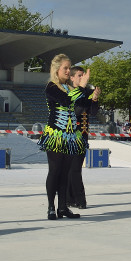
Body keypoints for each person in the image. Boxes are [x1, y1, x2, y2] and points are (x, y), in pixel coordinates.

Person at [37, 54, 98, 220]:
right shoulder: (51, 87)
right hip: (56, 135)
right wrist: (82, 86)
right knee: (55, 171)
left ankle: (63, 207)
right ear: (57, 69)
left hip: (71, 137)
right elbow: (65, 101)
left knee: (65, 173)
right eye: (65, 68)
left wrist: (93, 97)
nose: (68, 71)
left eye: (69, 68)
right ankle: (51, 207)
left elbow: (84, 106)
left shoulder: (71, 88)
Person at [67, 65, 94, 209]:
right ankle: (74, 199)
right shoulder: (67, 93)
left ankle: (76, 199)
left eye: (83, 75)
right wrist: (83, 90)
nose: (82, 78)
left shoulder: (85, 93)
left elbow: (92, 112)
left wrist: (94, 99)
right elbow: (75, 111)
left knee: (75, 168)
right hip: (69, 136)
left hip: (82, 137)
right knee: (71, 169)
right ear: (71, 78)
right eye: (79, 75)